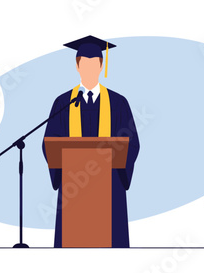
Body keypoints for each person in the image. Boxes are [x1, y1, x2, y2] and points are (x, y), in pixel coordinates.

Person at [42, 35, 140, 248]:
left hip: (110, 186)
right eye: (84, 64)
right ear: (77, 66)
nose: (89, 69)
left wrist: (113, 158)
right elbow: (50, 141)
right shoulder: (63, 102)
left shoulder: (118, 102)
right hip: (73, 183)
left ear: (101, 65)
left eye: (93, 64)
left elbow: (131, 143)